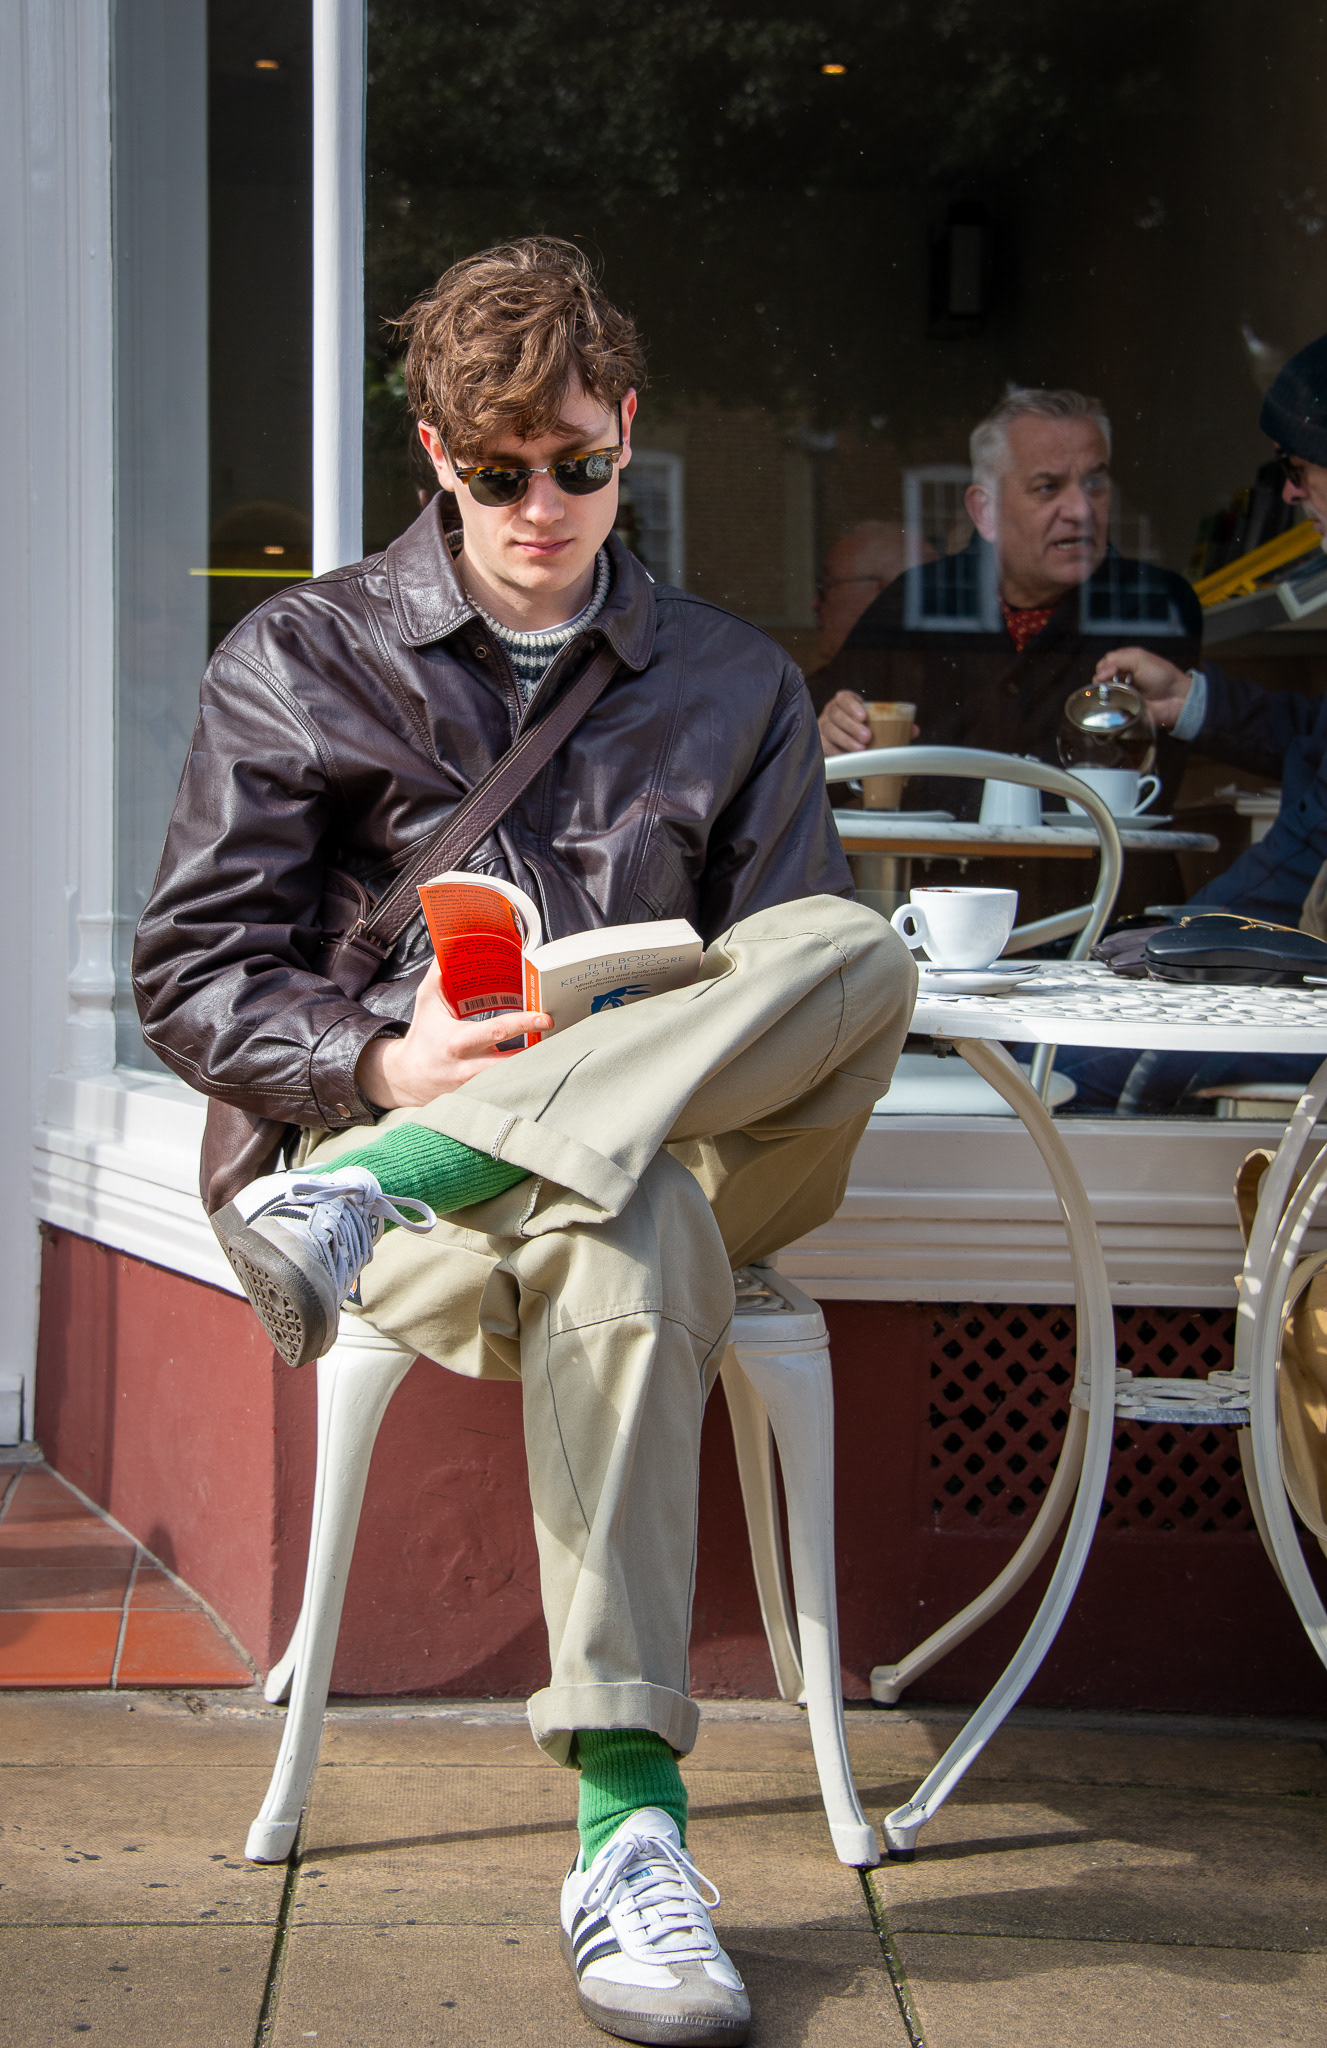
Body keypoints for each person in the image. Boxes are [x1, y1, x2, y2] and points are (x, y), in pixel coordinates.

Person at [132, 238, 914, 2046]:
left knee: (854, 948)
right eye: (498, 472)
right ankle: (627, 1835)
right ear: (434, 456)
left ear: (626, 431)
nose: (541, 503)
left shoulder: (731, 677)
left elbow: (791, 994)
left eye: (576, 460)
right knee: (620, 1230)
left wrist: (479, 1115)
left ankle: (374, 1199)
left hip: (650, 1152)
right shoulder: (303, 659)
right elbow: (186, 976)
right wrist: (384, 1066)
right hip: (445, 1162)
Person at [1058, 331, 1327, 1111]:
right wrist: (1186, 701)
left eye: (1294, 466)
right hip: (1264, 951)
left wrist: (1217, 946)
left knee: (1064, 1067)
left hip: (1284, 977)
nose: (1287, 493)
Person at [811, 387, 1201, 822]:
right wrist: (830, 741)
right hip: (939, 888)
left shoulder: (1155, 607)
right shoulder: (915, 603)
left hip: (1105, 882)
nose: (1081, 509)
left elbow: (1147, 784)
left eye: (1095, 482)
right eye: (1048, 487)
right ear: (985, 511)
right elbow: (802, 756)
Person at [814, 521, 932, 752]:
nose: (815, 603)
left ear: (885, 594)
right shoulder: (801, 697)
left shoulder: (940, 688)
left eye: (826, 585)